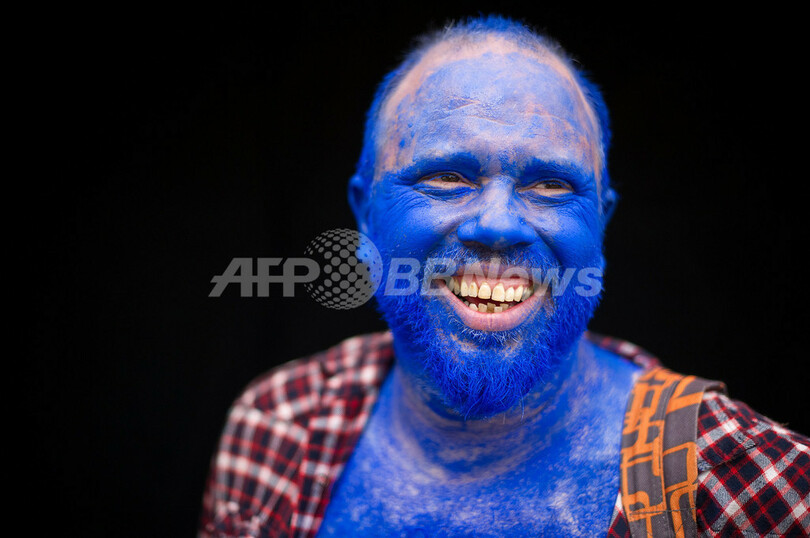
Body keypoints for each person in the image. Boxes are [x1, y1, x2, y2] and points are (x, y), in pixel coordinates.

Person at [199, 16, 809, 537]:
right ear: (365, 217)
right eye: (446, 177)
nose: (498, 225)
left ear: (600, 224)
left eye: (551, 184)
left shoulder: (743, 474)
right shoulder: (277, 427)